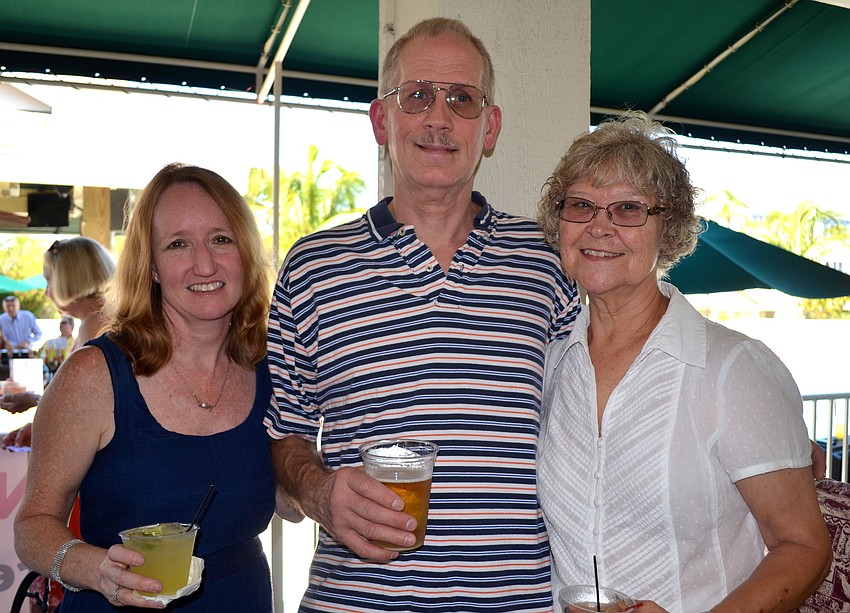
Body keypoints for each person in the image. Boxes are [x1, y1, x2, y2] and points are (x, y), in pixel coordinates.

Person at [266, 17, 580, 613]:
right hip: (355, 602)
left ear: (489, 128)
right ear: (382, 121)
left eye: (462, 99)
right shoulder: (312, 266)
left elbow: (587, 431)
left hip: (518, 602)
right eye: (417, 96)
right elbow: (284, 435)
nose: (439, 118)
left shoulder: (548, 260)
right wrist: (317, 490)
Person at [535, 111, 831, 613]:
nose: (599, 226)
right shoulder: (551, 366)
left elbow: (803, 547)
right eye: (581, 206)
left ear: (667, 229)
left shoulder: (733, 368)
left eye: (628, 209)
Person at [15, 163, 296, 611]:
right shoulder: (95, 375)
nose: (204, 263)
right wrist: (95, 568)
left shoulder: (273, 367)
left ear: (245, 251)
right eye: (178, 244)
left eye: (221, 239)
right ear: (152, 266)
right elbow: (32, 525)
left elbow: (283, 495)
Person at [2, 237, 116, 449]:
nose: (46, 292)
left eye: (49, 280)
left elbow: (84, 405)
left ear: (69, 279)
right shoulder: (102, 319)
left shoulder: (95, 325)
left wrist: (37, 402)